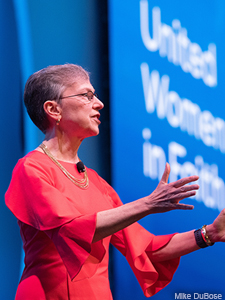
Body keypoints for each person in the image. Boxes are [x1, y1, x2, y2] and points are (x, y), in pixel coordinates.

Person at [5, 64, 225, 300]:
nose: (98, 103)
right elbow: (71, 230)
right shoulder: (31, 169)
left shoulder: (97, 183)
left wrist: (210, 233)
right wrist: (149, 204)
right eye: (86, 95)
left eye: (96, 95)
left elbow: (147, 249)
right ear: (53, 109)